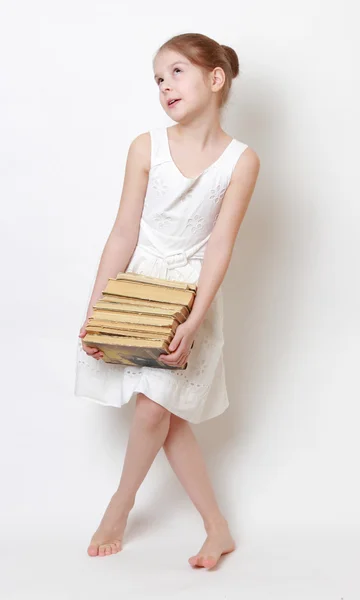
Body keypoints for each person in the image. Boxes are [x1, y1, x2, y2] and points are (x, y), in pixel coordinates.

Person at [75, 32, 260, 568]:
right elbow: (123, 232)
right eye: (158, 78)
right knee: (166, 415)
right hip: (135, 294)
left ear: (215, 78)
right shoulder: (145, 147)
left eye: (176, 72)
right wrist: (97, 310)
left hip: (188, 298)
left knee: (157, 408)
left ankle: (120, 504)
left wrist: (195, 318)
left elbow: (221, 245)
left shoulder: (241, 161)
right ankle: (218, 528)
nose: (164, 86)